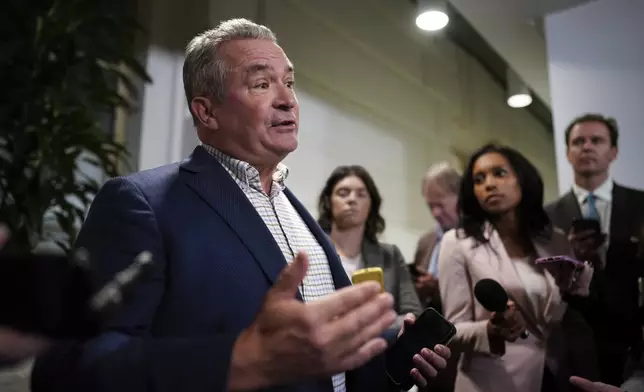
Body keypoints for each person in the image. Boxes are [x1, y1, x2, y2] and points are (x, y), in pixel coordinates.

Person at [31, 18, 450, 392]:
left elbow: (323, 365)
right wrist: (239, 362)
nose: (288, 100)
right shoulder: (141, 204)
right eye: (261, 84)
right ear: (206, 112)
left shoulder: (298, 214)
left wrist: (388, 361)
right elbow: (66, 369)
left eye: (289, 82)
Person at [438, 144, 598, 392]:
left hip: (558, 377)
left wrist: (579, 286)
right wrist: (491, 330)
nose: (489, 184)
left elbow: (569, 312)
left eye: (499, 173)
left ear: (522, 179)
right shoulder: (457, 243)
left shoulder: (554, 240)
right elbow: (451, 330)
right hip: (493, 382)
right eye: (479, 179)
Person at [545, 114, 644, 386]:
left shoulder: (640, 205)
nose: (587, 147)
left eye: (596, 140)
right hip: (573, 341)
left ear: (613, 152)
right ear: (567, 153)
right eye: (578, 141)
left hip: (632, 339)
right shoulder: (547, 217)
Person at [317, 165, 423, 330]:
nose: (352, 199)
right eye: (343, 193)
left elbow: (412, 312)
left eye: (361, 194)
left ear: (371, 205)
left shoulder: (390, 255)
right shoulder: (312, 251)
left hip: (383, 348)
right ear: (329, 202)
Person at [412, 162, 461, 311]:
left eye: (440, 205)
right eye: (430, 206)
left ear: (460, 197)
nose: (435, 213)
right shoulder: (425, 242)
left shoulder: (478, 239)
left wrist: (437, 289)